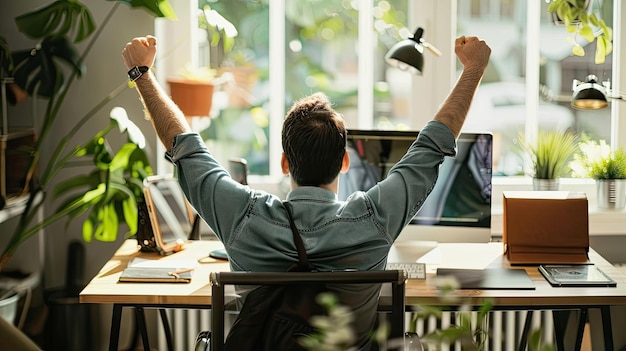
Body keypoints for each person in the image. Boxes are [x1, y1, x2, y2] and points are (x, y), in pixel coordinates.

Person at [122, 34, 491, 349]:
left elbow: (185, 146)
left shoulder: (241, 215)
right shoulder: (375, 218)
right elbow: (432, 145)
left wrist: (142, 73)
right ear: (345, 162)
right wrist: (472, 69)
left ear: (285, 163)